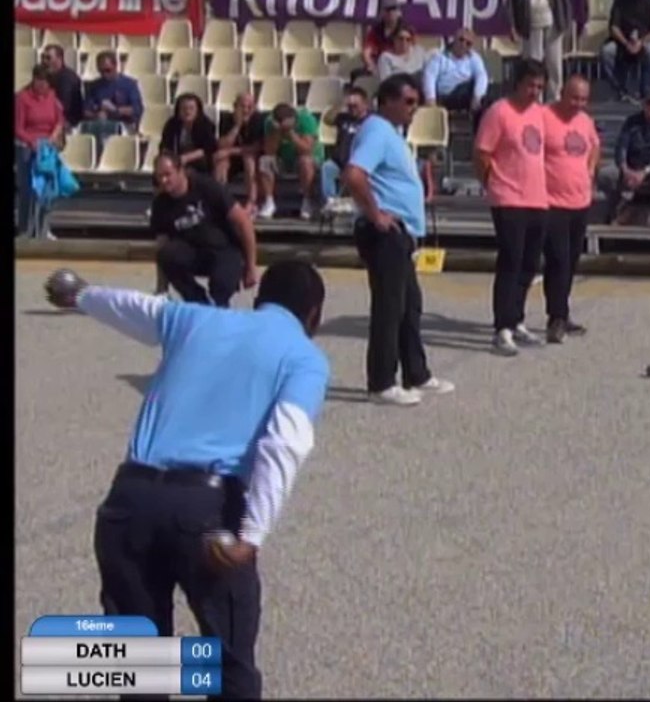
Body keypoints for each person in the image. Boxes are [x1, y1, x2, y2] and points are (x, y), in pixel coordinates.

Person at [45, 259, 331, 700]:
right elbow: (285, 443)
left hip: (128, 502)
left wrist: (80, 295)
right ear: (314, 316)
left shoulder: (195, 318)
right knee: (228, 662)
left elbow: (133, 306)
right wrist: (251, 535)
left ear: (258, 300)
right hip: (206, 512)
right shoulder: (303, 357)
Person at [344, 73, 454, 404]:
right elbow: (354, 173)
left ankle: (416, 373)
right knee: (389, 306)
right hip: (385, 232)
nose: (413, 108)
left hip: (400, 232)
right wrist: (376, 214)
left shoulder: (390, 133)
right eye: (407, 102)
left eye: (416, 103)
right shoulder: (377, 130)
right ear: (386, 100)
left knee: (409, 305)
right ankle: (381, 382)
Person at [475, 58, 551, 356]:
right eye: (530, 85)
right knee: (510, 260)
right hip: (508, 196)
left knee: (530, 264)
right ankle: (501, 327)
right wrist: (492, 184)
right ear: (517, 83)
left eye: (540, 87)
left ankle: (517, 318)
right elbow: (482, 153)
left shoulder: (540, 114)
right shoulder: (499, 112)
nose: (535, 91)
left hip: (538, 197)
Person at [149, 153, 258, 308]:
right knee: (167, 254)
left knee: (221, 286)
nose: (164, 181)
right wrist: (161, 288)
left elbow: (244, 222)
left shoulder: (207, 187)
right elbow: (162, 244)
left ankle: (220, 308)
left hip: (224, 248)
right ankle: (198, 302)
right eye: (160, 176)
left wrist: (251, 267)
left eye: (168, 175)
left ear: (180, 170)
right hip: (193, 251)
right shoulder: (161, 204)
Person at [540, 75, 599, 343]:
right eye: (574, 97)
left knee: (572, 261)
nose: (578, 104)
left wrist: (589, 170)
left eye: (584, 99)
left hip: (580, 201)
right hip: (552, 202)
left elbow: (595, 146)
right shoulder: (544, 117)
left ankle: (563, 311)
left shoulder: (585, 121)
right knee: (558, 260)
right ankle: (556, 317)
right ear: (562, 94)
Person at [606, 90, 650, 227]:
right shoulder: (631, 122)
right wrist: (625, 169)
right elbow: (621, 146)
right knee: (605, 175)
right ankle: (616, 211)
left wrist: (644, 172)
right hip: (631, 166)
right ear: (643, 105)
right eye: (649, 103)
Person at [15, 66, 65, 239]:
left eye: (45, 82)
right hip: (27, 146)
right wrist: (32, 142)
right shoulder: (22, 98)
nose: (42, 85)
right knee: (28, 190)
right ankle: (25, 230)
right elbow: (18, 128)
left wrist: (53, 137)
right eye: (39, 81)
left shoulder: (52, 97)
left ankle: (44, 228)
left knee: (47, 191)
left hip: (48, 147)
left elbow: (59, 120)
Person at [507, 0, 574, 102]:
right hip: (529, 24)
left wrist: (567, 23)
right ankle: (534, 101)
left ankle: (554, 100)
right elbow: (510, 2)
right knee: (533, 66)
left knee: (554, 65)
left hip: (554, 23)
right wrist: (512, 26)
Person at [258, 104, 324, 221]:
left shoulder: (306, 119)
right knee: (265, 161)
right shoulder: (270, 122)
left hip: (308, 158)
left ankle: (307, 201)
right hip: (283, 159)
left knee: (305, 161)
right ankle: (269, 202)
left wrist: (291, 133)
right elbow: (269, 151)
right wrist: (277, 133)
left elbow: (307, 149)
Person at [601, 0, 650, 103]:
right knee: (606, 52)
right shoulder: (620, 2)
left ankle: (646, 91)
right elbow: (614, 27)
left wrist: (641, 42)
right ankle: (620, 89)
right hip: (623, 41)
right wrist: (625, 43)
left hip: (645, 40)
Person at [214, 92, 267, 208]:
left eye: (250, 107)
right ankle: (219, 200)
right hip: (235, 158)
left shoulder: (258, 120)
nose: (246, 110)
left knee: (249, 160)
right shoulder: (226, 118)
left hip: (252, 157)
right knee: (221, 161)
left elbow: (256, 148)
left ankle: (252, 202)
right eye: (242, 106)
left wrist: (229, 151)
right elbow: (222, 145)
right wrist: (237, 126)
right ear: (235, 106)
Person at [82, 51, 144, 148]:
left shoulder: (129, 84)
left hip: (124, 126)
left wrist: (116, 110)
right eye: (101, 71)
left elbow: (137, 109)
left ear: (115, 66)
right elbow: (86, 111)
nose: (104, 74)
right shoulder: (94, 86)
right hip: (101, 126)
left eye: (108, 70)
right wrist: (96, 114)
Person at [422, 30, 490, 116]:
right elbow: (429, 76)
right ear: (454, 39)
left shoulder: (474, 58)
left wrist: (477, 97)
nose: (463, 44)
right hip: (445, 96)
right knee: (468, 87)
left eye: (468, 43)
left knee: (486, 94)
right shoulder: (439, 56)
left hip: (466, 97)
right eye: (461, 40)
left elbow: (481, 75)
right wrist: (430, 99)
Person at [321, 86, 371, 202]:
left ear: (364, 104)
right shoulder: (343, 118)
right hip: (340, 161)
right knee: (327, 168)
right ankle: (331, 202)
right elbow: (327, 119)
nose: (352, 109)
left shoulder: (371, 121)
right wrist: (341, 105)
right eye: (350, 106)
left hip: (361, 163)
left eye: (355, 106)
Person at [160, 93, 218, 176]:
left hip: (199, 160)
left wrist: (186, 158)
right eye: (184, 109)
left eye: (191, 109)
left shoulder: (205, 124)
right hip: (177, 158)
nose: (187, 112)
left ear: (197, 110)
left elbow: (209, 148)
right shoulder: (171, 124)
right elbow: (165, 146)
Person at [363, 0, 412, 73]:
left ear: (399, 12)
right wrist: (371, 64)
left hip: (400, 67)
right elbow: (367, 52)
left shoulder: (407, 30)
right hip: (378, 66)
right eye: (388, 9)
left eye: (394, 9)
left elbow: (411, 53)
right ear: (382, 12)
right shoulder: (376, 30)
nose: (391, 12)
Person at [40, 44, 83, 128]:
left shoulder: (67, 78)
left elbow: (63, 106)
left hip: (67, 121)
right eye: (43, 57)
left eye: (48, 58)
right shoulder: (46, 75)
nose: (44, 61)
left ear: (59, 58)